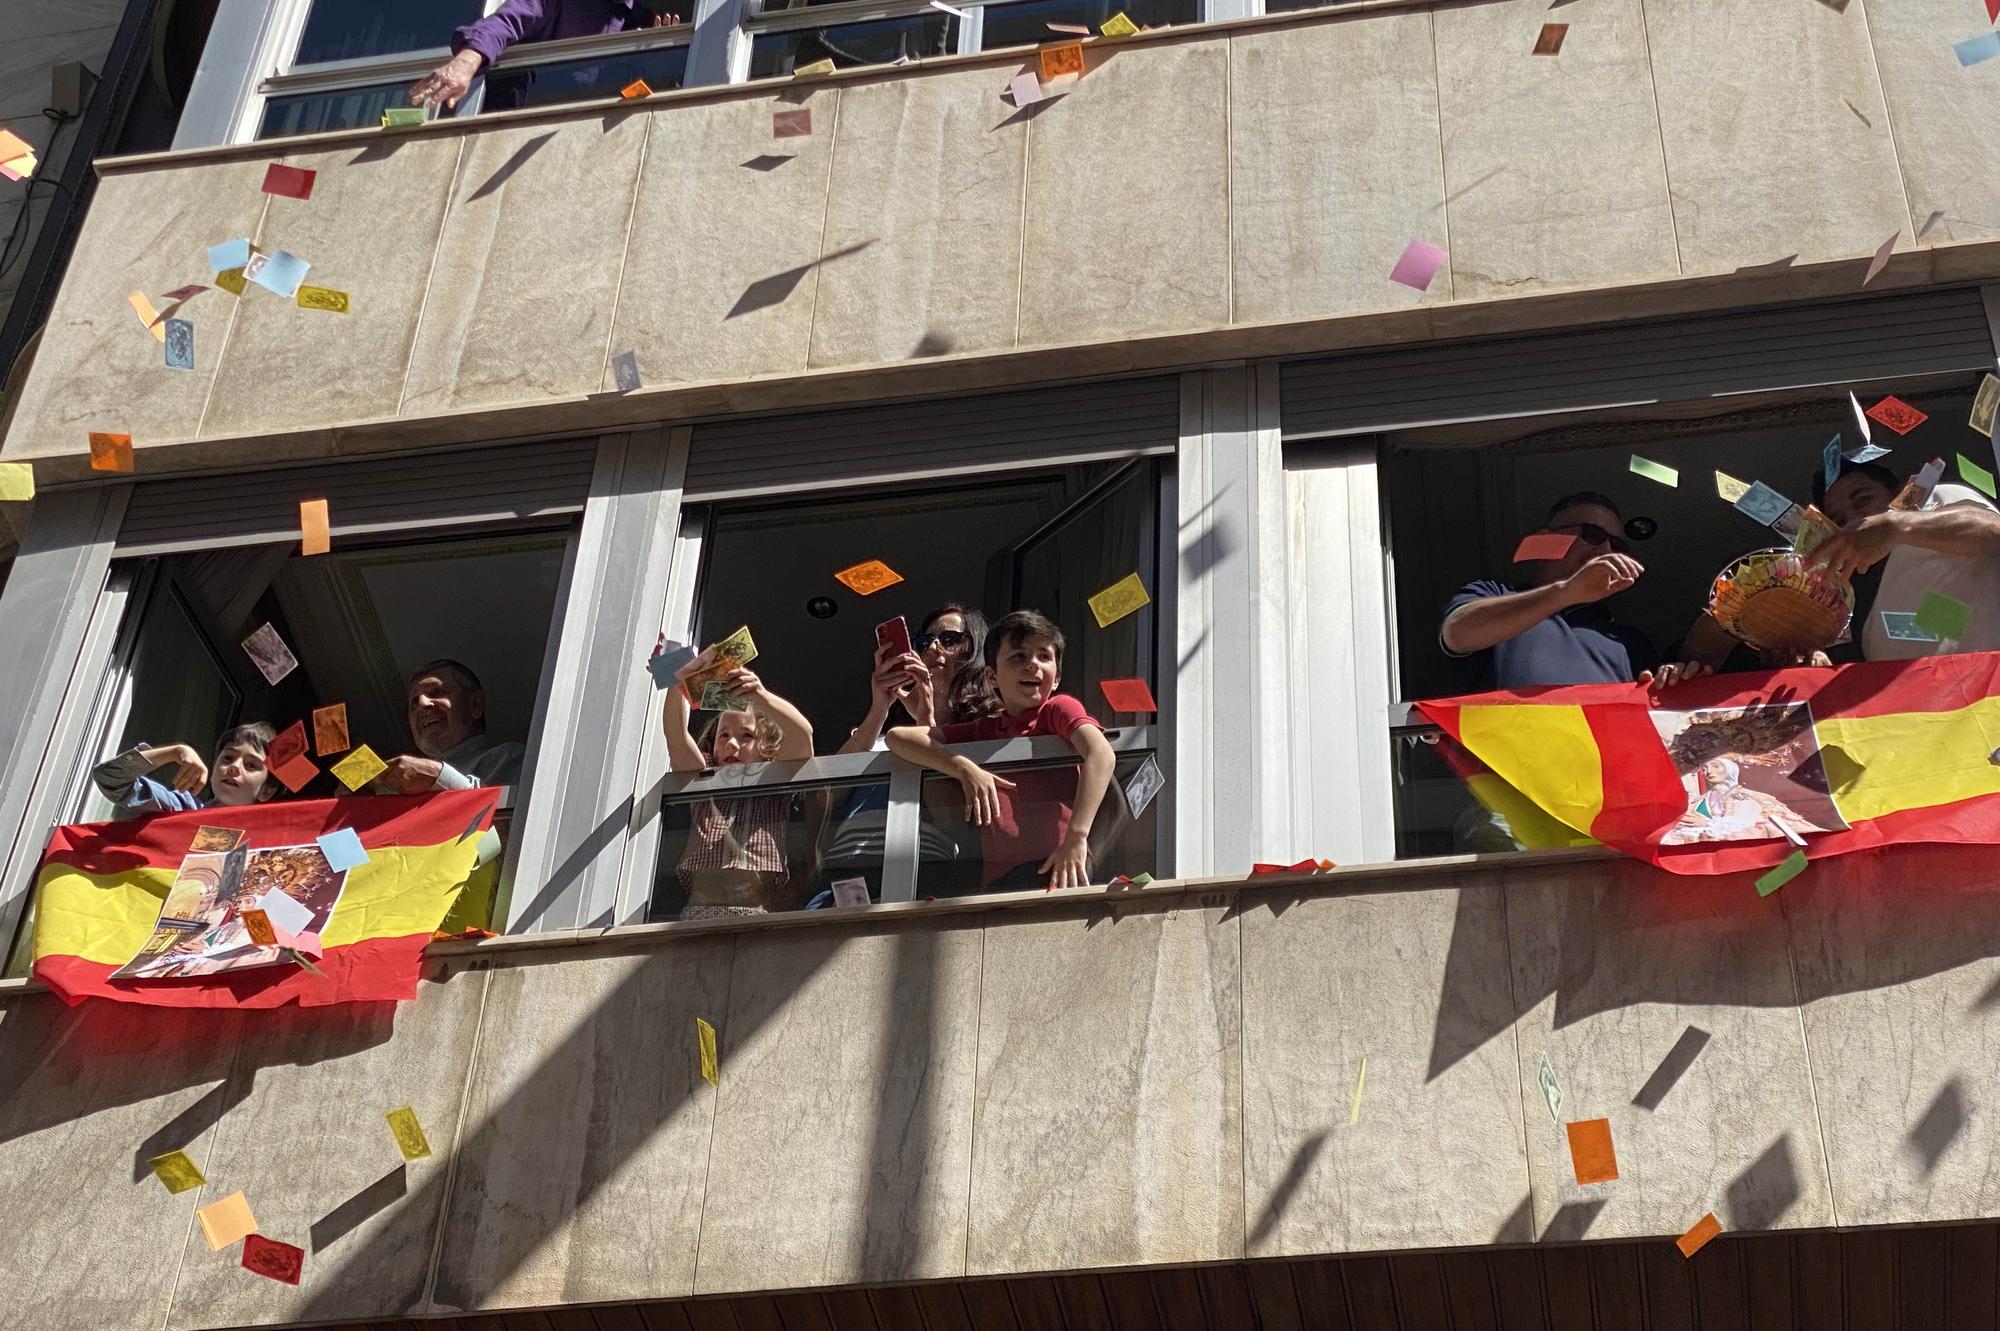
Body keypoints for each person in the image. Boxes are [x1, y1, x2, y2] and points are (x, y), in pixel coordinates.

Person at [886, 610, 1114, 890]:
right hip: (999, 878)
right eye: (1018, 656)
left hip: (1059, 864)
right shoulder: (986, 730)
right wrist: (964, 768)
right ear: (992, 676)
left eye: (1044, 656)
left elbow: (1101, 754)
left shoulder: (1057, 709)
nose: (1032, 665)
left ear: (1056, 678)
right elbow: (897, 738)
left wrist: (1076, 839)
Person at [1440, 491, 1708, 691]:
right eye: (1591, 534)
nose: (1604, 551)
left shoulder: (1629, 641)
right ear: (1545, 538)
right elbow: (1458, 632)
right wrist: (1566, 592)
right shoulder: (1493, 593)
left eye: (1616, 544)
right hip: (1502, 764)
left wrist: (1675, 677)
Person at [663, 666, 816, 920]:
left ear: (765, 746)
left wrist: (760, 696)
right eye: (724, 735)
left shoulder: (774, 779)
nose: (732, 744)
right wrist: (675, 681)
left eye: (746, 736)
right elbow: (677, 738)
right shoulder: (704, 776)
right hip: (699, 911)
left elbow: (803, 738)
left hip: (754, 911)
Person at [1807, 459, 2000, 658]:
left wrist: (1897, 526)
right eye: (1839, 520)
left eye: (1863, 500)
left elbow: (1994, 530)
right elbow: (1948, 631)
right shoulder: (1867, 619)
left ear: (1899, 494)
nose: (1853, 521)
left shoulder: (1936, 499)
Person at [407, 0, 684, 112]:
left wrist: (663, 65)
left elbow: (637, 98)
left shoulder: (642, 22)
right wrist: (466, 61)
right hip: (518, 125)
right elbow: (506, 22)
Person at [838, 602, 1000, 755]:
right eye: (924, 642)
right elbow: (834, 782)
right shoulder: (892, 734)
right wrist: (879, 709)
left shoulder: (993, 725)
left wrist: (925, 720)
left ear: (975, 649)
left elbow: (944, 778)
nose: (932, 648)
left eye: (948, 639)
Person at [380, 660, 527, 794]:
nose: (422, 704)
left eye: (437, 692)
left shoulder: (509, 758)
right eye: (413, 703)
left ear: (475, 704)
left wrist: (439, 777)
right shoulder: (396, 787)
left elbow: (509, 819)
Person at [91, 723, 278, 818]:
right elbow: (108, 778)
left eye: (251, 765)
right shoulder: (181, 808)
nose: (234, 767)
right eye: (228, 758)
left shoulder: (267, 844)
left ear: (266, 791)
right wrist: (174, 752)